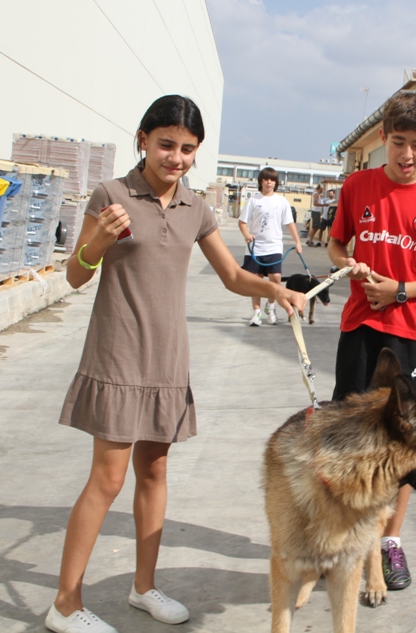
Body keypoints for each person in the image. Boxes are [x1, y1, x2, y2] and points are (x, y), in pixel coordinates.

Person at [49, 95, 305, 633]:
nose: (177, 157)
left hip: (168, 357)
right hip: (117, 353)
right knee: (107, 479)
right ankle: (65, 604)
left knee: (156, 469)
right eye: (166, 144)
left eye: (188, 149)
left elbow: (233, 276)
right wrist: (97, 238)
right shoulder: (112, 195)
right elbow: (76, 275)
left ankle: (144, 587)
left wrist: (276, 290)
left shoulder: (197, 208)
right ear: (142, 139)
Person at [327, 92, 416, 591]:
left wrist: (402, 290)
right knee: (350, 434)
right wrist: (350, 264)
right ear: (383, 139)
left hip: (414, 332)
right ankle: (343, 539)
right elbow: (336, 242)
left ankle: (389, 542)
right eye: (399, 143)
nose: (407, 155)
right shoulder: (357, 187)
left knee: (409, 440)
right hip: (361, 328)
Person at [238, 168, 302, 326]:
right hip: (255, 247)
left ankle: (271, 307)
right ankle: (256, 313)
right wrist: (246, 234)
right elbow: (242, 222)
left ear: (276, 183)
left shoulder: (281, 202)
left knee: (275, 278)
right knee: (256, 281)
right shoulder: (253, 200)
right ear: (260, 181)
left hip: (273, 247)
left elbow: (289, 223)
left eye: (272, 180)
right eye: (266, 179)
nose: (269, 182)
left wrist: (298, 242)